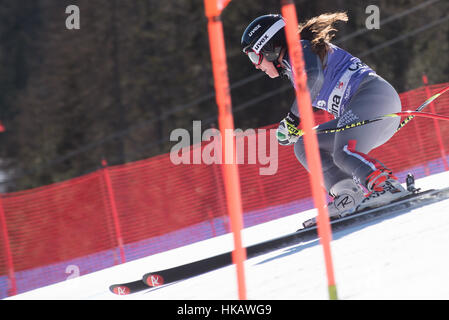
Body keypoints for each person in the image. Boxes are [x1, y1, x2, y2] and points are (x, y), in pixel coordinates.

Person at [240, 12, 409, 222]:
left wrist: (292, 120)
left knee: (342, 152)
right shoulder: (295, 63)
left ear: (270, 47)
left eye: (255, 56)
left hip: (373, 96)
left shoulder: (298, 50)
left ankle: (386, 185)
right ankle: (348, 195)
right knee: (306, 144)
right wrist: (293, 125)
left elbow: (314, 79)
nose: (256, 65)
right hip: (367, 109)